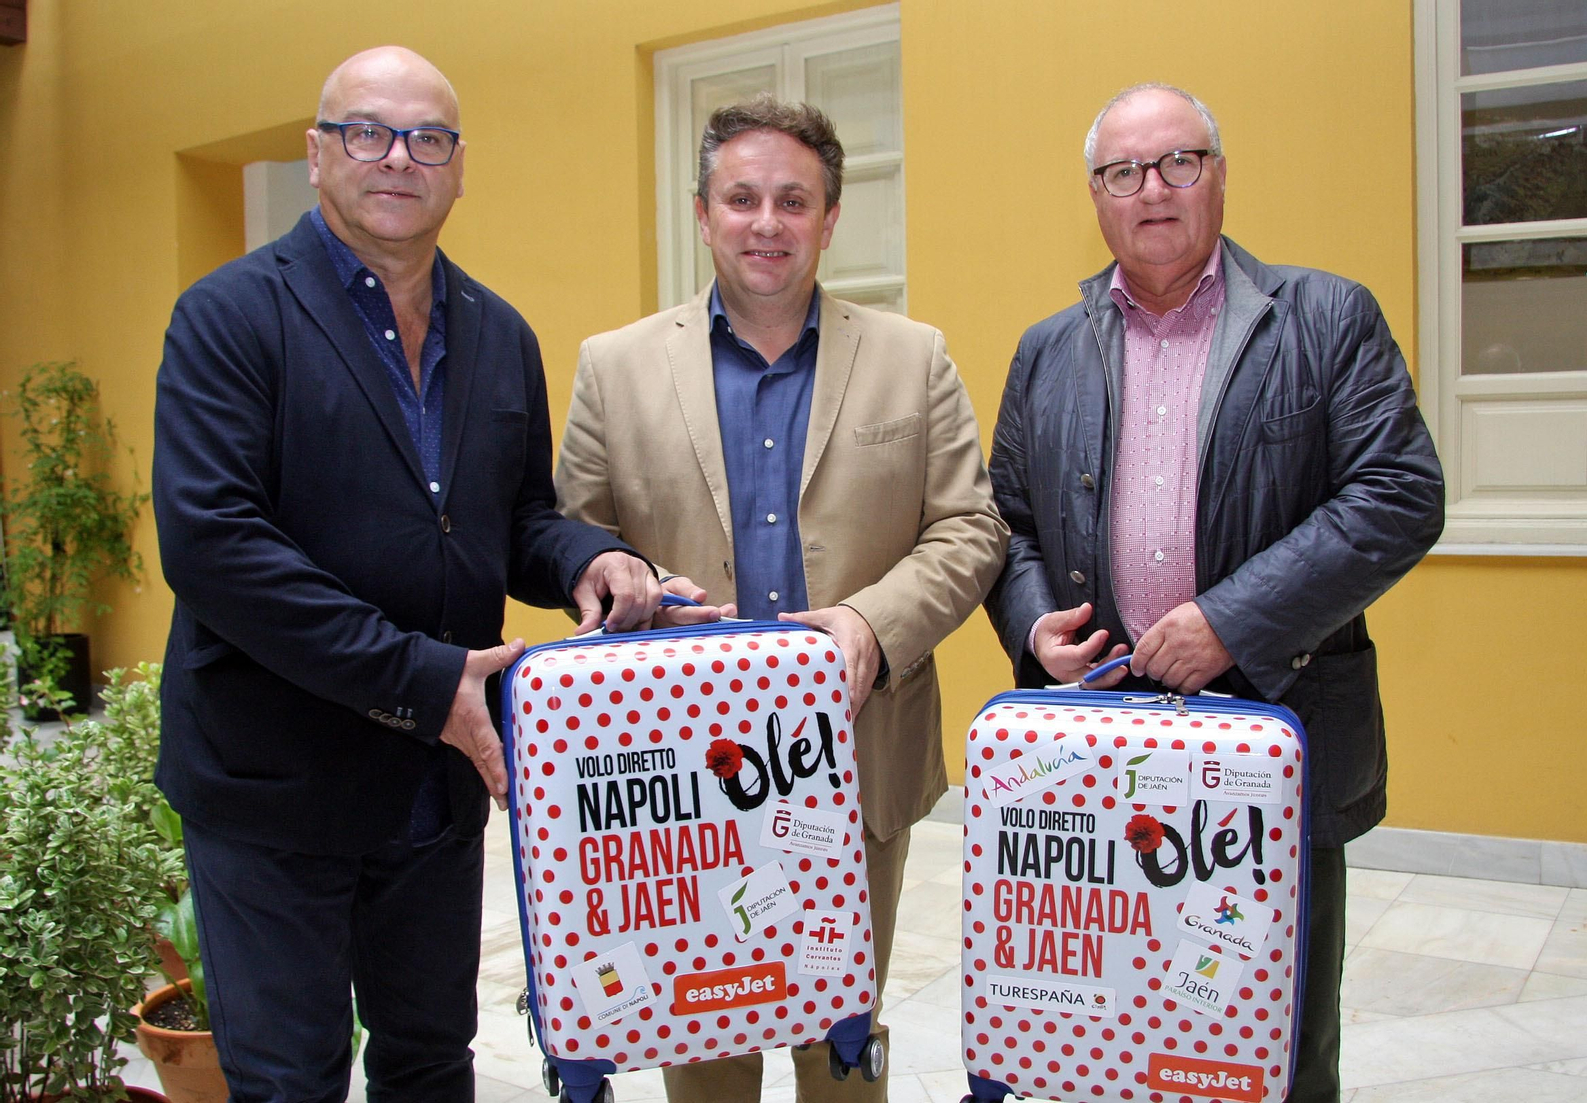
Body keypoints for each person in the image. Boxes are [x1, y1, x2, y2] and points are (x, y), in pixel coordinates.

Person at [151, 46, 678, 1101]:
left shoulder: (498, 330)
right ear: (316, 154)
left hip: (432, 799)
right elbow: (216, 545)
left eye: (427, 137)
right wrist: (425, 677)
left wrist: (592, 554)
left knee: (430, 1062)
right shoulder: (228, 317)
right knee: (290, 1078)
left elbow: (513, 512)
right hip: (273, 787)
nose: (398, 157)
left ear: (459, 166)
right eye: (366, 131)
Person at [983, 83, 1445, 1102]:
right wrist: (1031, 628)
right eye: (1122, 172)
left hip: (1275, 741)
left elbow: (1399, 495)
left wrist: (1228, 619)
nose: (1152, 190)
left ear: (1219, 175)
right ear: (1095, 195)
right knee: (1109, 1029)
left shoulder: (1325, 318)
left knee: (1271, 1042)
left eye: (1178, 162)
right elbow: (1003, 518)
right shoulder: (1045, 351)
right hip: (1099, 749)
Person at [554, 95, 1007, 1102]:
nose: (767, 222)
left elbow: (971, 530)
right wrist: (614, 583)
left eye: (793, 200)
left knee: (845, 1031)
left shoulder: (913, 356)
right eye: (743, 197)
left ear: (830, 217)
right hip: (681, 780)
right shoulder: (612, 368)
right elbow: (575, 543)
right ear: (704, 212)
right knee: (703, 1024)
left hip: (855, 751)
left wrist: (867, 623)